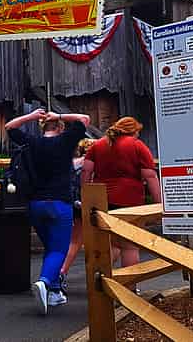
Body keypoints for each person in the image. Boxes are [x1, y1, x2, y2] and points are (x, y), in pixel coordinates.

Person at [5, 108, 90, 315]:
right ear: (60, 127)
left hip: (35, 204)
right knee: (59, 250)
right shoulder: (66, 141)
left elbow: (9, 127)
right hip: (59, 203)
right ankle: (44, 282)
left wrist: (32, 116)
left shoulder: (31, 142)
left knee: (51, 247)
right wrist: (59, 115)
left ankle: (54, 292)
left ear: (42, 126)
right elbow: (84, 118)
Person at [82, 117, 161, 274]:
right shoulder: (137, 145)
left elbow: (86, 171)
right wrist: (159, 204)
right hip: (129, 201)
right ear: (133, 131)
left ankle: (101, 280)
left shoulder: (97, 145)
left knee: (110, 244)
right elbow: (150, 176)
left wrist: (85, 196)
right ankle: (129, 284)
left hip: (102, 201)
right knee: (129, 246)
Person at [58, 138, 95, 293]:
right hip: (90, 202)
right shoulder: (92, 163)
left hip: (73, 203)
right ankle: (97, 275)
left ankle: (61, 271)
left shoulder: (72, 163)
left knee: (74, 240)